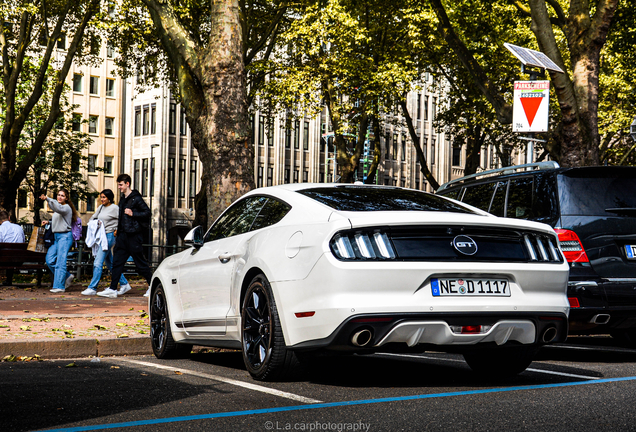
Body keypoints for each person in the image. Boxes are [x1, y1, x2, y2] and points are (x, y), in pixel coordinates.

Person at [97, 174, 153, 298]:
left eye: (121, 184)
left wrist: (133, 213)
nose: (119, 187)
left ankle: (152, 286)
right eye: (118, 184)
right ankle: (112, 289)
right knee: (117, 262)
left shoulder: (136, 198)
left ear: (127, 184)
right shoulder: (123, 199)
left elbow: (147, 213)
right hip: (122, 236)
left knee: (140, 263)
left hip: (134, 236)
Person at [82, 189, 132, 296]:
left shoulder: (114, 208)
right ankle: (124, 283)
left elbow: (124, 219)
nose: (102, 199)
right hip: (101, 236)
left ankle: (92, 287)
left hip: (109, 237)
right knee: (110, 263)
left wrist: (117, 230)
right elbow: (93, 218)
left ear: (109, 198)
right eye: (101, 197)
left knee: (97, 262)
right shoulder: (100, 207)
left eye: (104, 197)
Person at [39, 188, 77, 293]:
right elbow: (55, 209)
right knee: (49, 259)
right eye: (58, 195)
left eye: (62, 195)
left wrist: (47, 198)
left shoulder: (66, 208)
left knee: (61, 262)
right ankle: (67, 275)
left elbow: (57, 207)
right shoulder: (57, 209)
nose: (59, 197)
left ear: (67, 198)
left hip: (65, 237)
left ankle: (59, 286)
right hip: (56, 237)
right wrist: (49, 223)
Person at [0, 209, 26, 286]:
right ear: (9, 218)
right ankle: (8, 280)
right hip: (19, 259)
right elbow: (23, 241)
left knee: (6, 255)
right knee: (10, 254)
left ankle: (8, 281)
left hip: (4, 260)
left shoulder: (1, 229)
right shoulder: (18, 227)